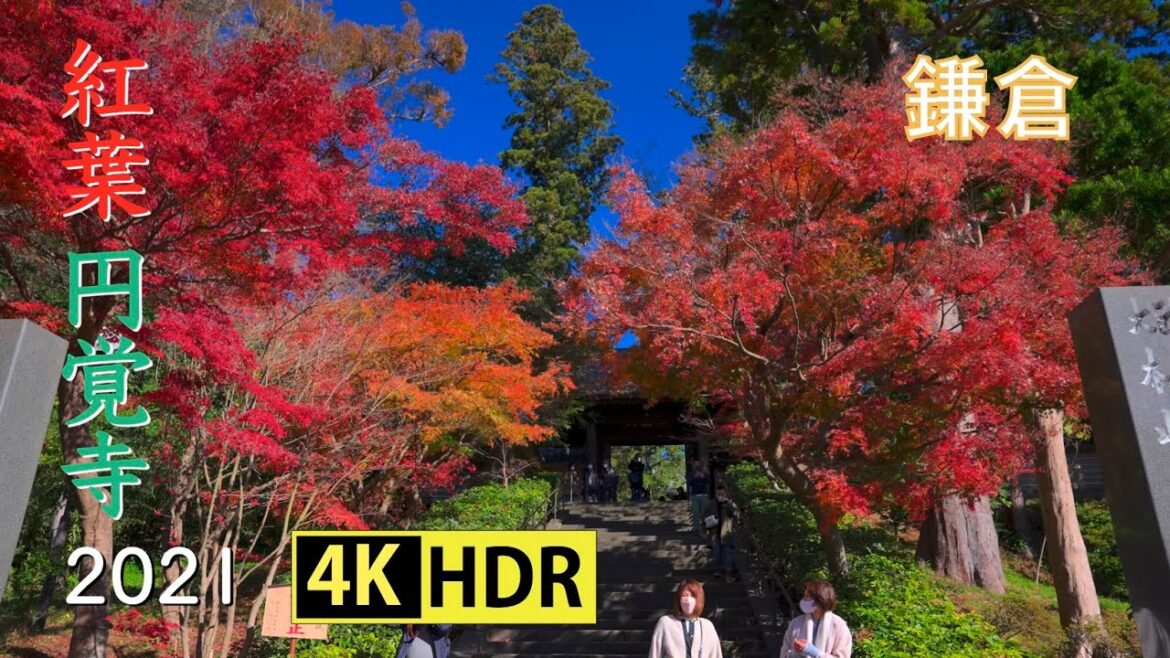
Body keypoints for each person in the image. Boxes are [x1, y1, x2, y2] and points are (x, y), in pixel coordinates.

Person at [649, 579, 723, 658]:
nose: (688, 600)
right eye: (684, 595)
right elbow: (655, 654)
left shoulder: (707, 626)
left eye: (693, 596)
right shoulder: (666, 623)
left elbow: (715, 654)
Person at [780, 580, 852, 658]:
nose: (803, 599)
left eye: (807, 596)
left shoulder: (838, 625)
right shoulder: (795, 623)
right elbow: (783, 654)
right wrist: (796, 653)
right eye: (804, 596)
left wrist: (815, 652)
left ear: (820, 600)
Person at [701, 484, 739, 581]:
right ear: (716, 494)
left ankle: (728, 572)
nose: (720, 495)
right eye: (719, 493)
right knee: (717, 553)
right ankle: (717, 570)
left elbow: (735, 514)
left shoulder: (729, 503)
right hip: (714, 533)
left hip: (726, 533)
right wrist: (704, 530)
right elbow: (704, 517)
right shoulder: (711, 504)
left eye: (722, 493)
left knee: (727, 553)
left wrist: (727, 504)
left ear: (726, 493)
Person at [687, 459, 710, 532]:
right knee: (695, 512)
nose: (696, 465)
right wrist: (695, 477)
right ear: (693, 465)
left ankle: (704, 527)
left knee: (704, 512)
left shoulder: (704, 473)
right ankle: (696, 527)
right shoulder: (691, 474)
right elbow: (689, 483)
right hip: (695, 495)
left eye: (698, 464)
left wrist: (703, 477)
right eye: (695, 464)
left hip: (704, 494)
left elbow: (708, 482)